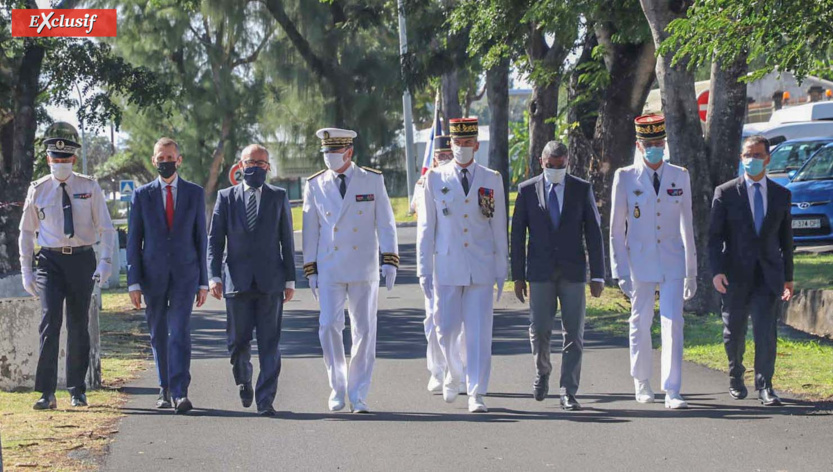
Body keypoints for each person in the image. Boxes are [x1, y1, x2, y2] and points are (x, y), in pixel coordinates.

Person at [18, 122, 115, 410]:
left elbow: (107, 229)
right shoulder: (39, 189)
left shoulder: (89, 186)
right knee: (50, 322)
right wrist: (26, 270)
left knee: (78, 324)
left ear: (73, 159)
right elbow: (25, 232)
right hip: (50, 260)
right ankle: (46, 392)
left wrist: (106, 262)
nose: (60, 164)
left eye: (65, 160)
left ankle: (77, 389)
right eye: (55, 159)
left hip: (82, 258)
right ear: (48, 159)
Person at [302, 128, 399, 413]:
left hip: (363, 265)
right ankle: (338, 386)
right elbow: (310, 230)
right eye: (326, 153)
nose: (329, 158)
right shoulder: (315, 184)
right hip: (330, 265)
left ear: (348, 152)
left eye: (334, 152)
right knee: (328, 326)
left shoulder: (371, 179)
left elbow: (386, 222)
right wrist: (311, 268)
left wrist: (389, 258)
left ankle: (358, 393)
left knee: (364, 331)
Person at [416, 117, 508, 413]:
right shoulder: (435, 178)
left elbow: (497, 226)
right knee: (445, 329)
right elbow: (427, 228)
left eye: (467, 143)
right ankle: (453, 371)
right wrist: (423, 269)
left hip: (480, 266)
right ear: (451, 144)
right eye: (457, 143)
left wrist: (501, 267)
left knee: (480, 333)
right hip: (447, 266)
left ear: (476, 145)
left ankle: (477, 392)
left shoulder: (490, 179)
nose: (461, 148)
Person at [610, 114, 697, 409]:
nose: (655, 148)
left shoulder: (679, 175)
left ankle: (672, 389)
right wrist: (620, 271)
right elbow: (616, 228)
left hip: (672, 259)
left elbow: (688, 225)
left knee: (673, 323)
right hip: (640, 261)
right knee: (640, 321)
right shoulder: (625, 177)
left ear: (665, 143)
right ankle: (642, 380)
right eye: (649, 144)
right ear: (639, 145)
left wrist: (692, 271)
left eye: (658, 143)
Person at [510, 140, 605, 410]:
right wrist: (518, 275)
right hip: (540, 272)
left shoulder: (581, 189)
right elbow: (517, 235)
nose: (555, 170)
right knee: (539, 328)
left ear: (568, 163)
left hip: (572, 271)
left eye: (560, 166)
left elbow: (594, 233)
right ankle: (542, 371)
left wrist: (598, 275)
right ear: (542, 162)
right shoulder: (527, 191)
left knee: (574, 333)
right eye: (551, 166)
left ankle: (568, 390)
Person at [208, 144, 296, 417]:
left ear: (268, 168)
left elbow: (287, 240)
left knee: (270, 343)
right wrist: (213, 276)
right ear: (240, 165)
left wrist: (290, 279)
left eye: (261, 163)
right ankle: (244, 380)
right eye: (251, 162)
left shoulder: (278, 197)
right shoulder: (226, 197)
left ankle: (265, 400)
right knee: (238, 342)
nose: (256, 167)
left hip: (271, 281)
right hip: (236, 282)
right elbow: (215, 241)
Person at [708, 135, 794, 406]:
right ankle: (735, 377)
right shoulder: (726, 192)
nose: (752, 160)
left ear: (767, 159)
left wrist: (789, 278)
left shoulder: (782, 195)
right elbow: (714, 237)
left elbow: (787, 241)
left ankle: (765, 385)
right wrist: (717, 271)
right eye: (747, 155)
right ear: (740, 157)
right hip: (735, 274)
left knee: (766, 331)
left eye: (757, 155)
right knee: (733, 331)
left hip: (768, 275)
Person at [126, 137, 208, 414]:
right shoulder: (141, 195)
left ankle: (180, 390)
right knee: (158, 332)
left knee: (180, 332)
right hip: (152, 276)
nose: (165, 162)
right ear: (154, 161)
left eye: (170, 158)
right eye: (160, 158)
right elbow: (134, 241)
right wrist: (133, 281)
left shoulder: (194, 194)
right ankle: (163, 387)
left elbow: (201, 239)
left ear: (179, 159)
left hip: (186, 274)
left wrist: (203, 281)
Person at [410, 135, 467, 394]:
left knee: (462, 319)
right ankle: (437, 369)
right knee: (433, 316)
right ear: (434, 157)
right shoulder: (425, 183)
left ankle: (461, 367)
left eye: (448, 155)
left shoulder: (459, 181)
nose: (444, 159)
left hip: (456, 256)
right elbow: (417, 215)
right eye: (440, 156)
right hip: (433, 257)